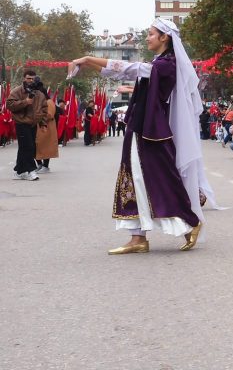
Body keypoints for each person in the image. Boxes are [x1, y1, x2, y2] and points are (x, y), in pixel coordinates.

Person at [69, 18, 213, 255]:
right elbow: (122, 73)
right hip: (140, 126)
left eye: (151, 34)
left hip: (152, 131)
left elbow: (128, 69)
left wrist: (87, 59)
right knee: (134, 177)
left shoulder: (167, 64)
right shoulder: (159, 62)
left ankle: (190, 221)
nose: (147, 38)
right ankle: (138, 237)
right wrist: (90, 63)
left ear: (164, 37)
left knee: (158, 177)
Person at [6, 71, 46, 181]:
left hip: (33, 124)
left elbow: (43, 109)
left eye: (33, 78)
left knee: (24, 147)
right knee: (28, 147)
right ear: (24, 78)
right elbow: (9, 105)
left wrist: (43, 123)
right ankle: (30, 170)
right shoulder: (17, 91)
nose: (31, 80)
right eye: (29, 78)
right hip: (21, 123)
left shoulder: (39, 94)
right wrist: (25, 102)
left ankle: (19, 171)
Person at [34, 88, 59, 174]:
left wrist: (37, 114)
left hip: (47, 128)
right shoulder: (39, 103)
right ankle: (40, 164)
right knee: (37, 147)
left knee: (46, 147)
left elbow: (49, 115)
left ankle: (45, 166)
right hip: (39, 127)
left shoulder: (49, 102)